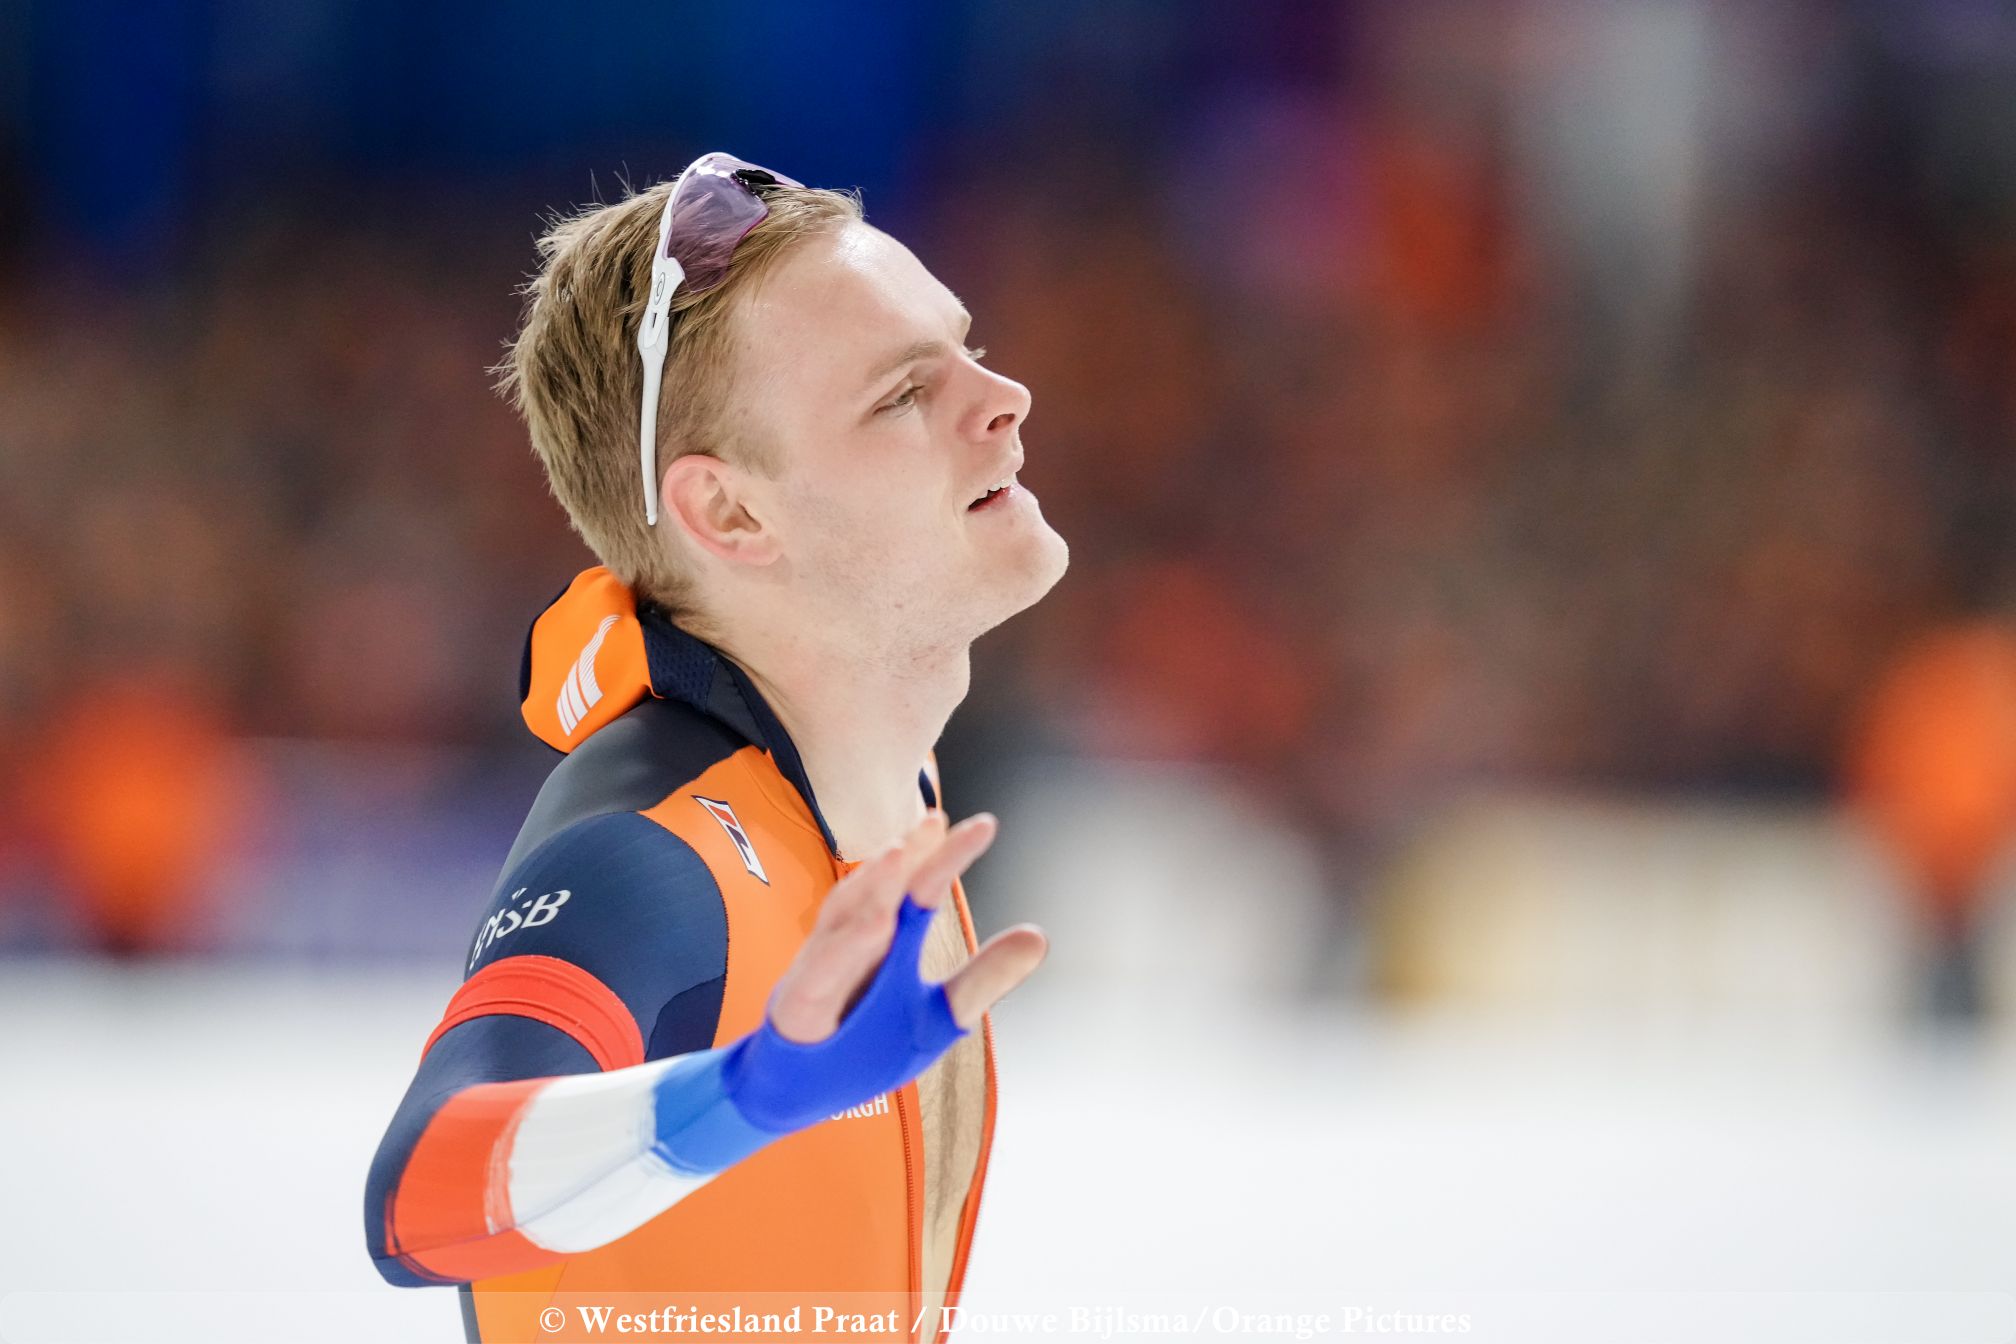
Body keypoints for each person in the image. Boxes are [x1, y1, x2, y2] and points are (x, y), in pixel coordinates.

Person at [363, 152, 1069, 1344]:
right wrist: (743, 1098)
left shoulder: (882, 789)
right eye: (902, 394)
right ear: (730, 513)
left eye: (967, 343)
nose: (1005, 397)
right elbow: (417, 1203)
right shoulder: (658, 853)